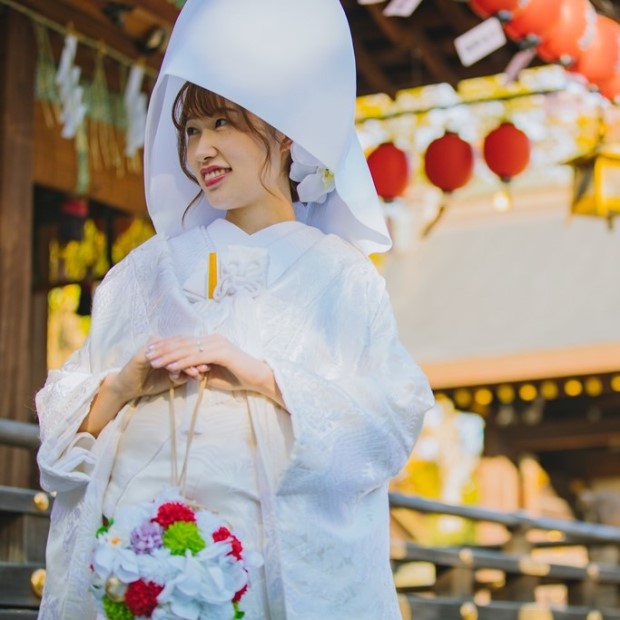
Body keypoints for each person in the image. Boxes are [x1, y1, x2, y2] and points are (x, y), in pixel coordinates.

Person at [36, 0, 435, 618]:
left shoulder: (341, 277)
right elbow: (61, 451)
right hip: (139, 568)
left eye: (222, 123)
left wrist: (266, 377)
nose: (201, 150)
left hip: (276, 579)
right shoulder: (146, 271)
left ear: (282, 130)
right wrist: (122, 385)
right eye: (191, 131)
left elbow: (391, 419)